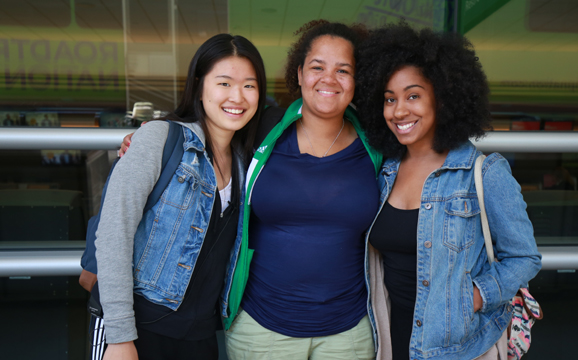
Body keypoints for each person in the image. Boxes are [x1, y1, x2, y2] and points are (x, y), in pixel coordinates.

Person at [355, 24, 542, 359]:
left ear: (441, 98)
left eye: (413, 96)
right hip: (389, 339)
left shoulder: (482, 173)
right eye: (389, 99)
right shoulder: (385, 170)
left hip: (458, 346)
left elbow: (524, 257)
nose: (399, 111)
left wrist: (474, 296)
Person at [95, 33, 266, 360]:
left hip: (200, 338)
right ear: (199, 87)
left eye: (249, 85)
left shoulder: (247, 164)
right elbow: (115, 233)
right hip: (139, 329)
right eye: (224, 83)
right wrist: (119, 337)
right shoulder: (159, 138)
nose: (237, 96)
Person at [221, 20, 381, 360]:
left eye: (343, 70)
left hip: (349, 334)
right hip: (261, 330)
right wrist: (156, 132)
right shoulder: (261, 128)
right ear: (299, 74)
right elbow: (202, 131)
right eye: (317, 67)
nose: (328, 79)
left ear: (356, 81)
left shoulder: (379, 144)